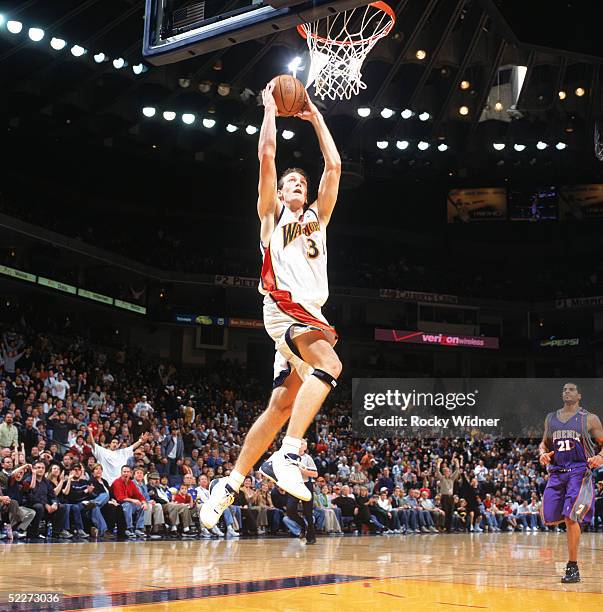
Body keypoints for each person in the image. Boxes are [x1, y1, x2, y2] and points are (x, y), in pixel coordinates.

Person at [201, 80, 342, 528]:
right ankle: (289, 453)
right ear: (281, 194)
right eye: (291, 183)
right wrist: (267, 107)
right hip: (285, 308)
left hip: (309, 315)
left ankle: (228, 484)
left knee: (280, 406)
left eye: (302, 182)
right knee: (331, 367)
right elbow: (267, 156)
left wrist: (316, 117)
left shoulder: (318, 219)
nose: (298, 184)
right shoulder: (272, 217)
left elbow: (334, 166)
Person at [539, 382, 603, 583]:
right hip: (557, 472)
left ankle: (572, 567)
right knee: (549, 516)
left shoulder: (590, 419)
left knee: (571, 516)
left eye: (571, 389)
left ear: (579, 395)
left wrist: (600, 457)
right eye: (564, 389)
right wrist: (542, 453)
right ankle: (578, 517)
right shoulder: (551, 419)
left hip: (579, 471)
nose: (567, 391)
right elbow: (544, 443)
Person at [436, 457, 460, 533]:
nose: (448, 472)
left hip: (451, 497)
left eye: (448, 471)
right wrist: (439, 463)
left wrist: (457, 462)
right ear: (444, 472)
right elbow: (437, 471)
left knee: (450, 512)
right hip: (444, 497)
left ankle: (449, 528)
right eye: (446, 471)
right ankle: (443, 527)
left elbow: (457, 471)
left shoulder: (451, 478)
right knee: (445, 511)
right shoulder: (442, 478)